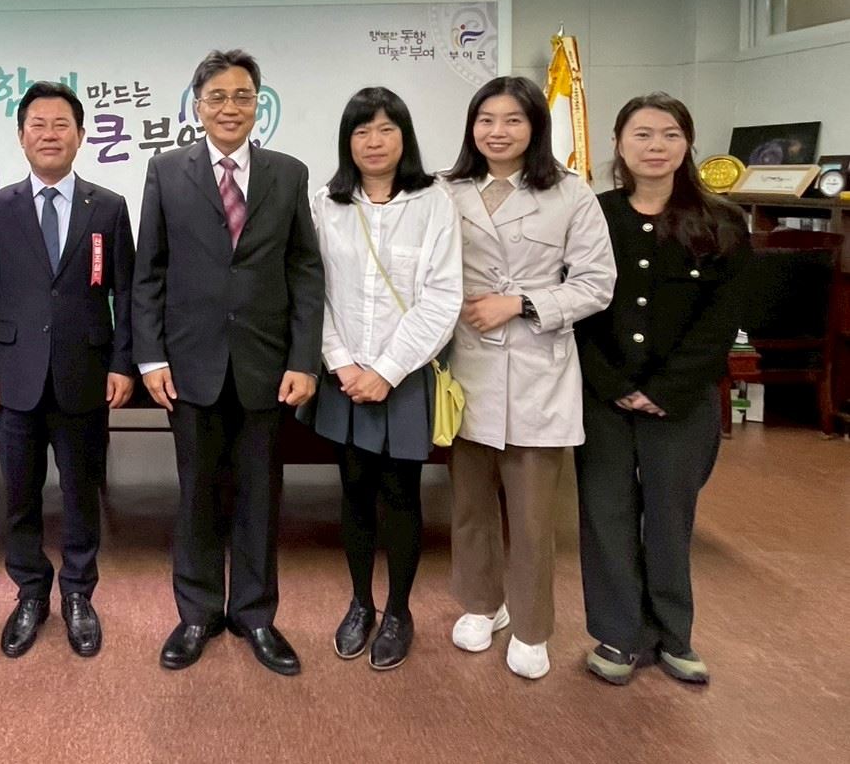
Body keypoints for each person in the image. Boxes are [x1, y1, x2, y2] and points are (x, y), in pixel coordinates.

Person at [133, 49, 324, 677]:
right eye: (216, 97)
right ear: (197, 106)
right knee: (196, 496)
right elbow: (149, 271)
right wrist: (151, 356)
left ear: (258, 104)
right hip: (190, 363)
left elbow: (304, 270)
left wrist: (304, 359)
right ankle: (196, 613)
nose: (229, 107)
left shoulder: (288, 174)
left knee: (260, 496)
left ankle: (256, 614)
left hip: (267, 365)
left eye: (242, 96)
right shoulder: (167, 171)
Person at [440, 76, 615, 680]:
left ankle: (532, 625)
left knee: (534, 513)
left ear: (536, 127)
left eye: (513, 120)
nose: (497, 132)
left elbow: (597, 283)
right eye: (485, 120)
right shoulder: (445, 189)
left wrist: (521, 304)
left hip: (538, 364)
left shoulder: (570, 193)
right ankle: (480, 604)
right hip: (466, 366)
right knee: (469, 503)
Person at [575, 93, 749, 687]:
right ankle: (619, 635)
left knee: (671, 517)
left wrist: (665, 389)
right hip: (603, 395)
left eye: (670, 134)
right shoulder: (592, 215)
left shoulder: (722, 221)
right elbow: (578, 309)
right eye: (642, 134)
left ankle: (675, 635)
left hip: (682, 399)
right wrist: (615, 385)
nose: (656, 146)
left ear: (687, 144)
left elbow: (722, 319)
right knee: (607, 514)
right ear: (618, 143)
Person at [0, 82, 135, 658]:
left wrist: (122, 363)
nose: (49, 134)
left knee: (82, 492)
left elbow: (125, 293)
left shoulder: (108, 207)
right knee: (19, 494)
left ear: (80, 136)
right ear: (21, 136)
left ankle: (79, 594)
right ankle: (30, 593)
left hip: (83, 373)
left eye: (61, 124)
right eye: (37, 124)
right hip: (13, 376)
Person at [303, 87, 462, 670]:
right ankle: (359, 603)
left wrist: (387, 371)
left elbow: (443, 297)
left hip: (404, 375)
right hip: (343, 376)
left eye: (386, 129)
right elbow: (312, 289)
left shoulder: (434, 202)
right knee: (352, 491)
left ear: (405, 137)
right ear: (347, 141)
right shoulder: (326, 204)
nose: (374, 141)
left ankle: (398, 611)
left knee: (401, 494)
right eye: (362, 130)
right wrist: (342, 362)